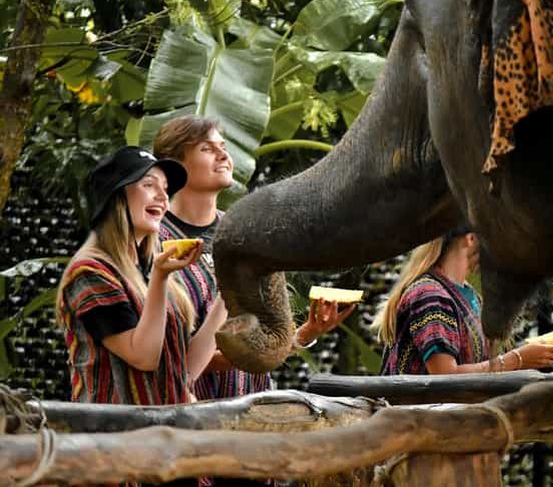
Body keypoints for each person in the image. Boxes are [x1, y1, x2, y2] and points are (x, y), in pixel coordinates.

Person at [154, 115, 354, 401]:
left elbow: (263, 337)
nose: (224, 155)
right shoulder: (154, 241)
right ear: (174, 166)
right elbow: (161, 356)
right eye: (207, 149)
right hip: (189, 415)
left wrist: (306, 333)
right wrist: (250, 353)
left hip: (253, 407)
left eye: (223, 146)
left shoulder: (245, 236)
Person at [56, 146, 227, 405]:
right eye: (149, 185)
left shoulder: (150, 266)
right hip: (112, 436)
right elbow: (144, 357)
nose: (163, 196)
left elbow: (185, 370)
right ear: (116, 197)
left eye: (166, 188)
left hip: (165, 433)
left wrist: (229, 292)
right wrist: (161, 277)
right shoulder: (89, 272)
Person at [374, 227, 553, 375]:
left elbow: (482, 369)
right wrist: (518, 359)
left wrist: (537, 357)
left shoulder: (470, 295)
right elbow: (444, 376)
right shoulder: (429, 294)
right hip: (414, 422)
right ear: (471, 238)